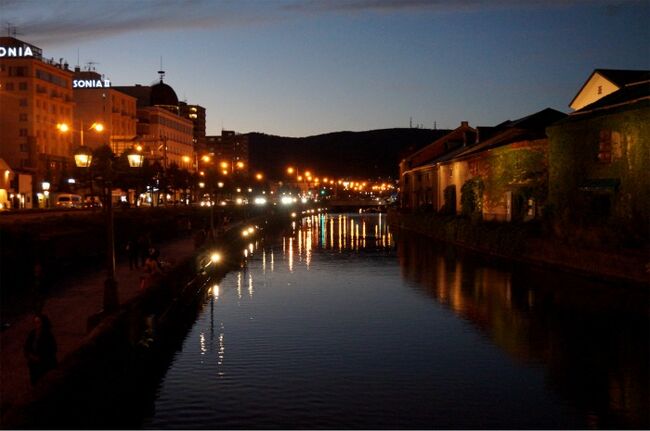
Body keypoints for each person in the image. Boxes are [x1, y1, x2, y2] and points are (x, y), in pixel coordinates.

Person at [24, 314, 58, 386]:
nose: (36, 324)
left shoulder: (48, 334)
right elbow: (26, 346)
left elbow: (53, 349)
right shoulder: (32, 333)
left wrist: (41, 358)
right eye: (35, 322)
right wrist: (29, 355)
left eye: (38, 322)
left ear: (43, 322)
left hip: (45, 365)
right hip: (34, 365)